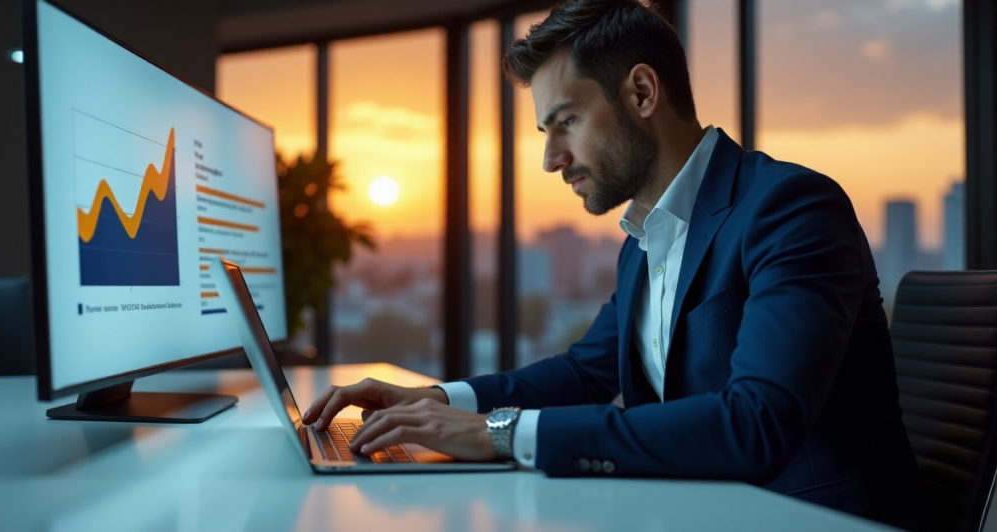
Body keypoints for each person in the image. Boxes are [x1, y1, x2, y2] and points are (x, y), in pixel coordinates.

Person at [302, 0, 927, 528]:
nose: (551, 159)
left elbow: (755, 423)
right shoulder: (643, 241)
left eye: (565, 122)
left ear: (641, 91)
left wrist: (498, 433)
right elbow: (585, 371)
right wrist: (437, 399)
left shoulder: (788, 208)